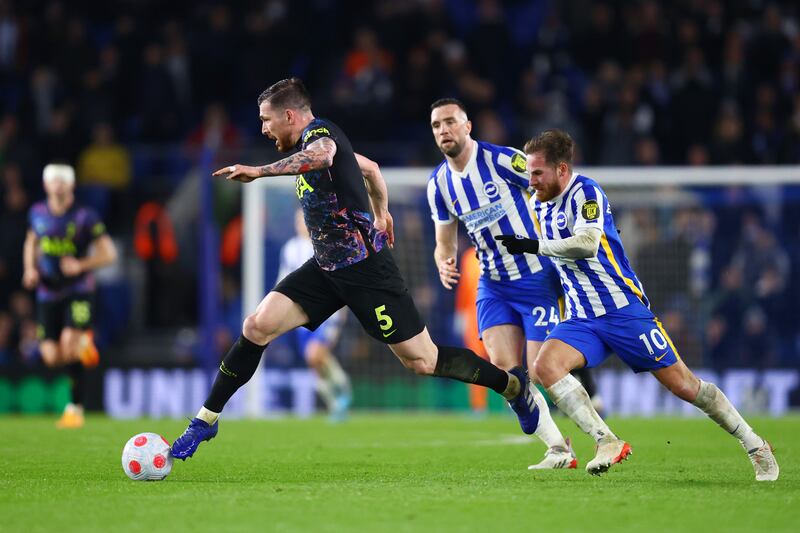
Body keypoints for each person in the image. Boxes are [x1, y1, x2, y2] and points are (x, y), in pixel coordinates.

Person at [171, 78, 540, 459]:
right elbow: (373, 169)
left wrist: (260, 172)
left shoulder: (322, 133)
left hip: (367, 272)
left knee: (424, 361)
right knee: (256, 326)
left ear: (289, 115)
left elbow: (324, 155)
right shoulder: (308, 143)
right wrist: (383, 214)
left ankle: (511, 386)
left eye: (267, 120)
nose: (264, 129)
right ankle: (205, 420)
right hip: (325, 269)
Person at [495, 129, 779, 481]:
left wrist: (533, 246)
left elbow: (586, 244)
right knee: (545, 367)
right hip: (583, 316)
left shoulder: (587, 193)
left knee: (685, 386)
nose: (531, 180)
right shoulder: (539, 204)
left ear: (562, 170)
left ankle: (755, 445)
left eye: (538, 172)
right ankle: (607, 440)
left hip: (623, 311)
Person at [427, 98, 575, 469]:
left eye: (450, 122)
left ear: (467, 126)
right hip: (493, 284)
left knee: (541, 368)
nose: (443, 130)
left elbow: (551, 185)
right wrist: (443, 262)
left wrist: (561, 231)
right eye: (436, 125)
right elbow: (444, 241)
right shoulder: (439, 185)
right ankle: (559, 449)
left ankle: (603, 434)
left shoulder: (502, 160)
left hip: (535, 276)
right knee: (508, 376)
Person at [22, 163, 117, 428]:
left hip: (79, 289)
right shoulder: (37, 213)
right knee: (52, 356)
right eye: (54, 181)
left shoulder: (85, 216)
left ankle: (75, 408)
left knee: (69, 344)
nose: (58, 186)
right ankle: (83, 345)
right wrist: (30, 269)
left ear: (72, 185)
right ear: (46, 185)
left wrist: (81, 265)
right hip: (47, 291)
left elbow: (109, 254)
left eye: (63, 181)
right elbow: (31, 242)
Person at [278, 209, 351, 421]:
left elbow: (339, 281)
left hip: (327, 313)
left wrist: (342, 311)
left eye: (304, 219)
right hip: (300, 313)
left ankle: (343, 388)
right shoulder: (290, 248)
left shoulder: (324, 245)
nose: (301, 224)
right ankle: (336, 402)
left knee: (314, 354)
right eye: (297, 220)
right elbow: (283, 280)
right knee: (314, 362)